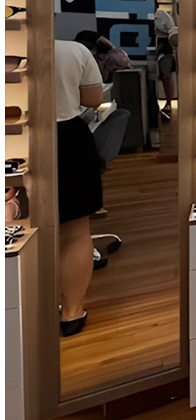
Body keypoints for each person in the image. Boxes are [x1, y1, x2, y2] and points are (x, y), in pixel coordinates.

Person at [55, 39, 104, 337]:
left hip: (15, 138)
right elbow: (94, 99)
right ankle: (71, 312)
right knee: (75, 231)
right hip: (67, 139)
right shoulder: (73, 50)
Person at [154, 7, 177, 121]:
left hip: (163, 46)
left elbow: (172, 29)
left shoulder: (161, 15)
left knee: (166, 76)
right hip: (154, 45)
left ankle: (168, 103)